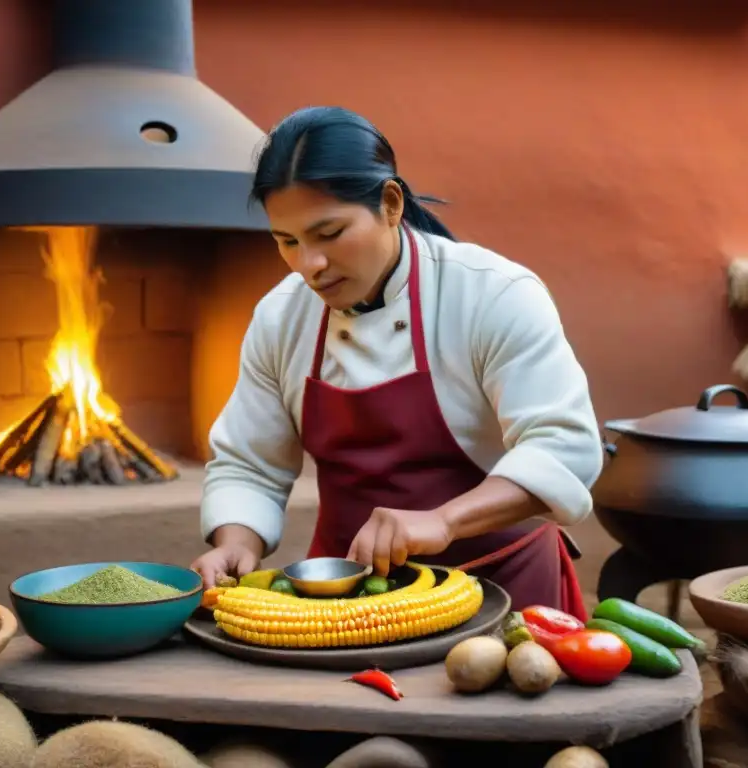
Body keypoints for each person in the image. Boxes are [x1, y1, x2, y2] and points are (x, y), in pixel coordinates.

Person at [191, 106, 603, 616]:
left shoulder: (493, 294)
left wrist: (445, 520)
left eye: (329, 233)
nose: (310, 265)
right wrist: (238, 540)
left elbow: (564, 449)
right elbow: (249, 463)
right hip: (350, 598)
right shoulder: (281, 317)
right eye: (287, 242)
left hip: (505, 591)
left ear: (390, 203)